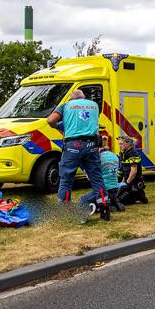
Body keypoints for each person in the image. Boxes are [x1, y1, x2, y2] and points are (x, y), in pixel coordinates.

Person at [47, 90, 109, 221]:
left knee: (66, 178)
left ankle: (66, 208)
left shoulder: (65, 106)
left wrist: (58, 127)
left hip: (73, 146)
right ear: (83, 97)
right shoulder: (94, 105)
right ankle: (104, 209)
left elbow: (50, 120)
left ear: (70, 99)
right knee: (97, 178)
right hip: (92, 145)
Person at [79, 136, 125, 212]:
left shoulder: (97, 158)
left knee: (83, 200)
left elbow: (90, 175)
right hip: (115, 188)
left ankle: (101, 207)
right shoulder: (114, 156)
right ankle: (111, 203)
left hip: (103, 190)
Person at [116, 135, 149, 205]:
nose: (119, 145)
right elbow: (125, 171)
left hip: (133, 183)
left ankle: (139, 196)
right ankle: (137, 195)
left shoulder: (132, 154)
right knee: (117, 197)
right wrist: (122, 183)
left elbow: (134, 171)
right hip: (128, 182)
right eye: (119, 144)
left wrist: (126, 183)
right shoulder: (125, 153)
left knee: (122, 200)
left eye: (121, 144)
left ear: (128, 144)